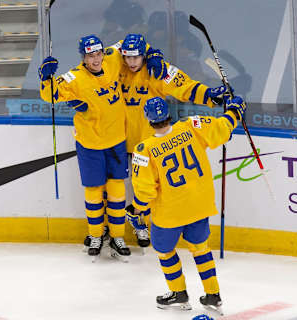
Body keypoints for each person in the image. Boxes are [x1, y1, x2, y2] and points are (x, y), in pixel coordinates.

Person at [130, 95, 247, 314]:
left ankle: (178, 293)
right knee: (201, 249)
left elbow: (145, 192)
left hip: (169, 213)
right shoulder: (190, 126)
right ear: (169, 114)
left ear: (148, 119)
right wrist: (234, 111)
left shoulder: (143, 150)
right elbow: (222, 129)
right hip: (198, 205)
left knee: (165, 252)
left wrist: (136, 209)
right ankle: (213, 295)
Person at [119, 33, 230, 249]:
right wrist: (152, 50)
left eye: (137, 57)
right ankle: (121, 225)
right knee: (120, 187)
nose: (132, 62)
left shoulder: (157, 69)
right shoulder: (115, 67)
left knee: (155, 188)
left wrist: (209, 95)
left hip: (151, 145)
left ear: (143, 55)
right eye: (128, 57)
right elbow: (99, 57)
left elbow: (185, 86)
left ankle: (143, 221)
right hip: (119, 140)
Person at [38, 34, 132, 262]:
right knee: (93, 190)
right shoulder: (74, 77)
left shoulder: (112, 58)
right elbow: (50, 95)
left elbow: (131, 42)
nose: (96, 59)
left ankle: (118, 236)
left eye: (98, 53)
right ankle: (96, 235)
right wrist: (45, 77)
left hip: (117, 140)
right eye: (91, 55)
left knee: (117, 190)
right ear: (84, 56)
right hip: (90, 144)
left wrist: (154, 56)